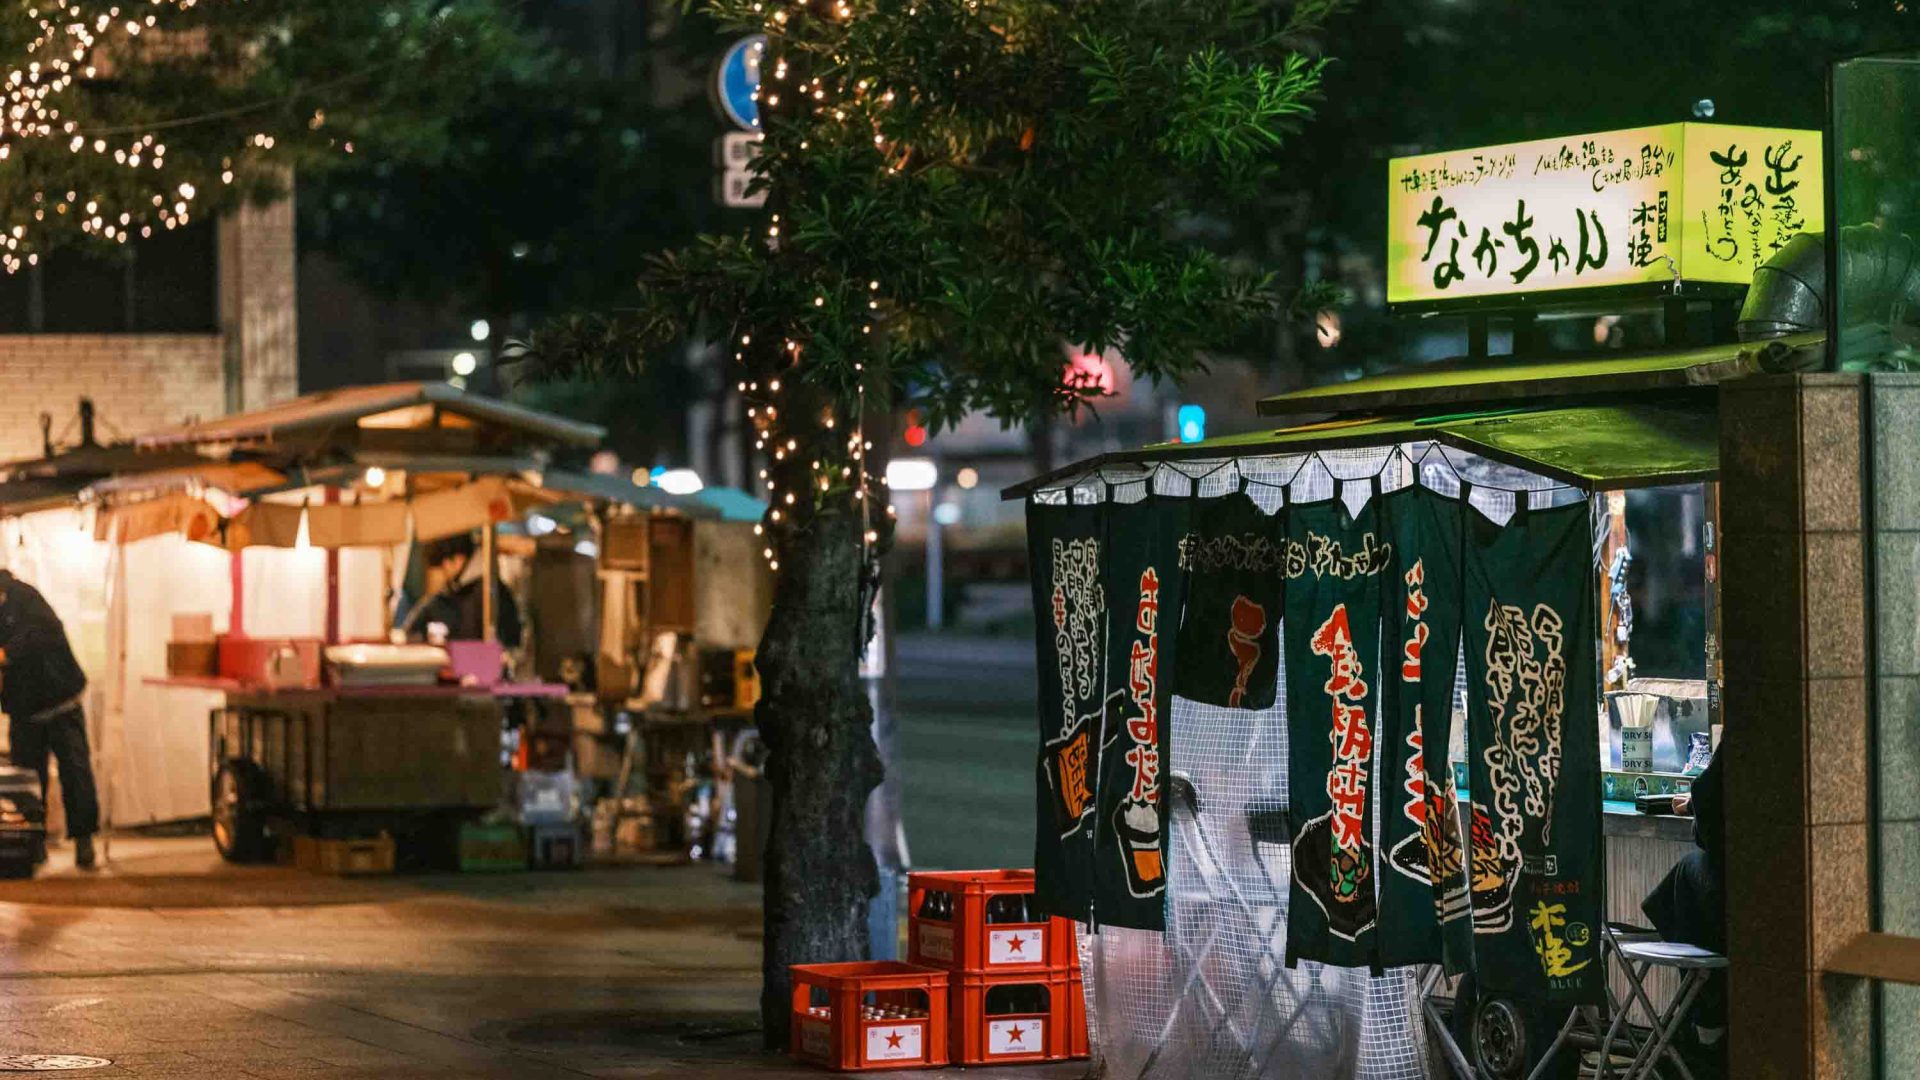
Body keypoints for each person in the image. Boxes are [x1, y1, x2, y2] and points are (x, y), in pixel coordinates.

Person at [0, 570, 97, 870]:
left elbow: (43, 634)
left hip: (60, 701)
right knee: (28, 780)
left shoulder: (23, 597)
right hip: (24, 709)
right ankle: (32, 843)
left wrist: (5, 653)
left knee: (75, 771)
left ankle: (84, 840)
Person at [1642, 743, 1724, 1076]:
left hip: (1735, 888)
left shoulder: (1752, 721)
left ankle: (1703, 1017)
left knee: (1687, 872)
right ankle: (1701, 1013)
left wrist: (1695, 807)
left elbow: (1710, 793)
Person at [402, 533, 522, 647]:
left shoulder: (489, 593)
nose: (444, 573)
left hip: (480, 665)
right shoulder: (453, 591)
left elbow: (506, 646)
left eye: (444, 565)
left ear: (458, 559)